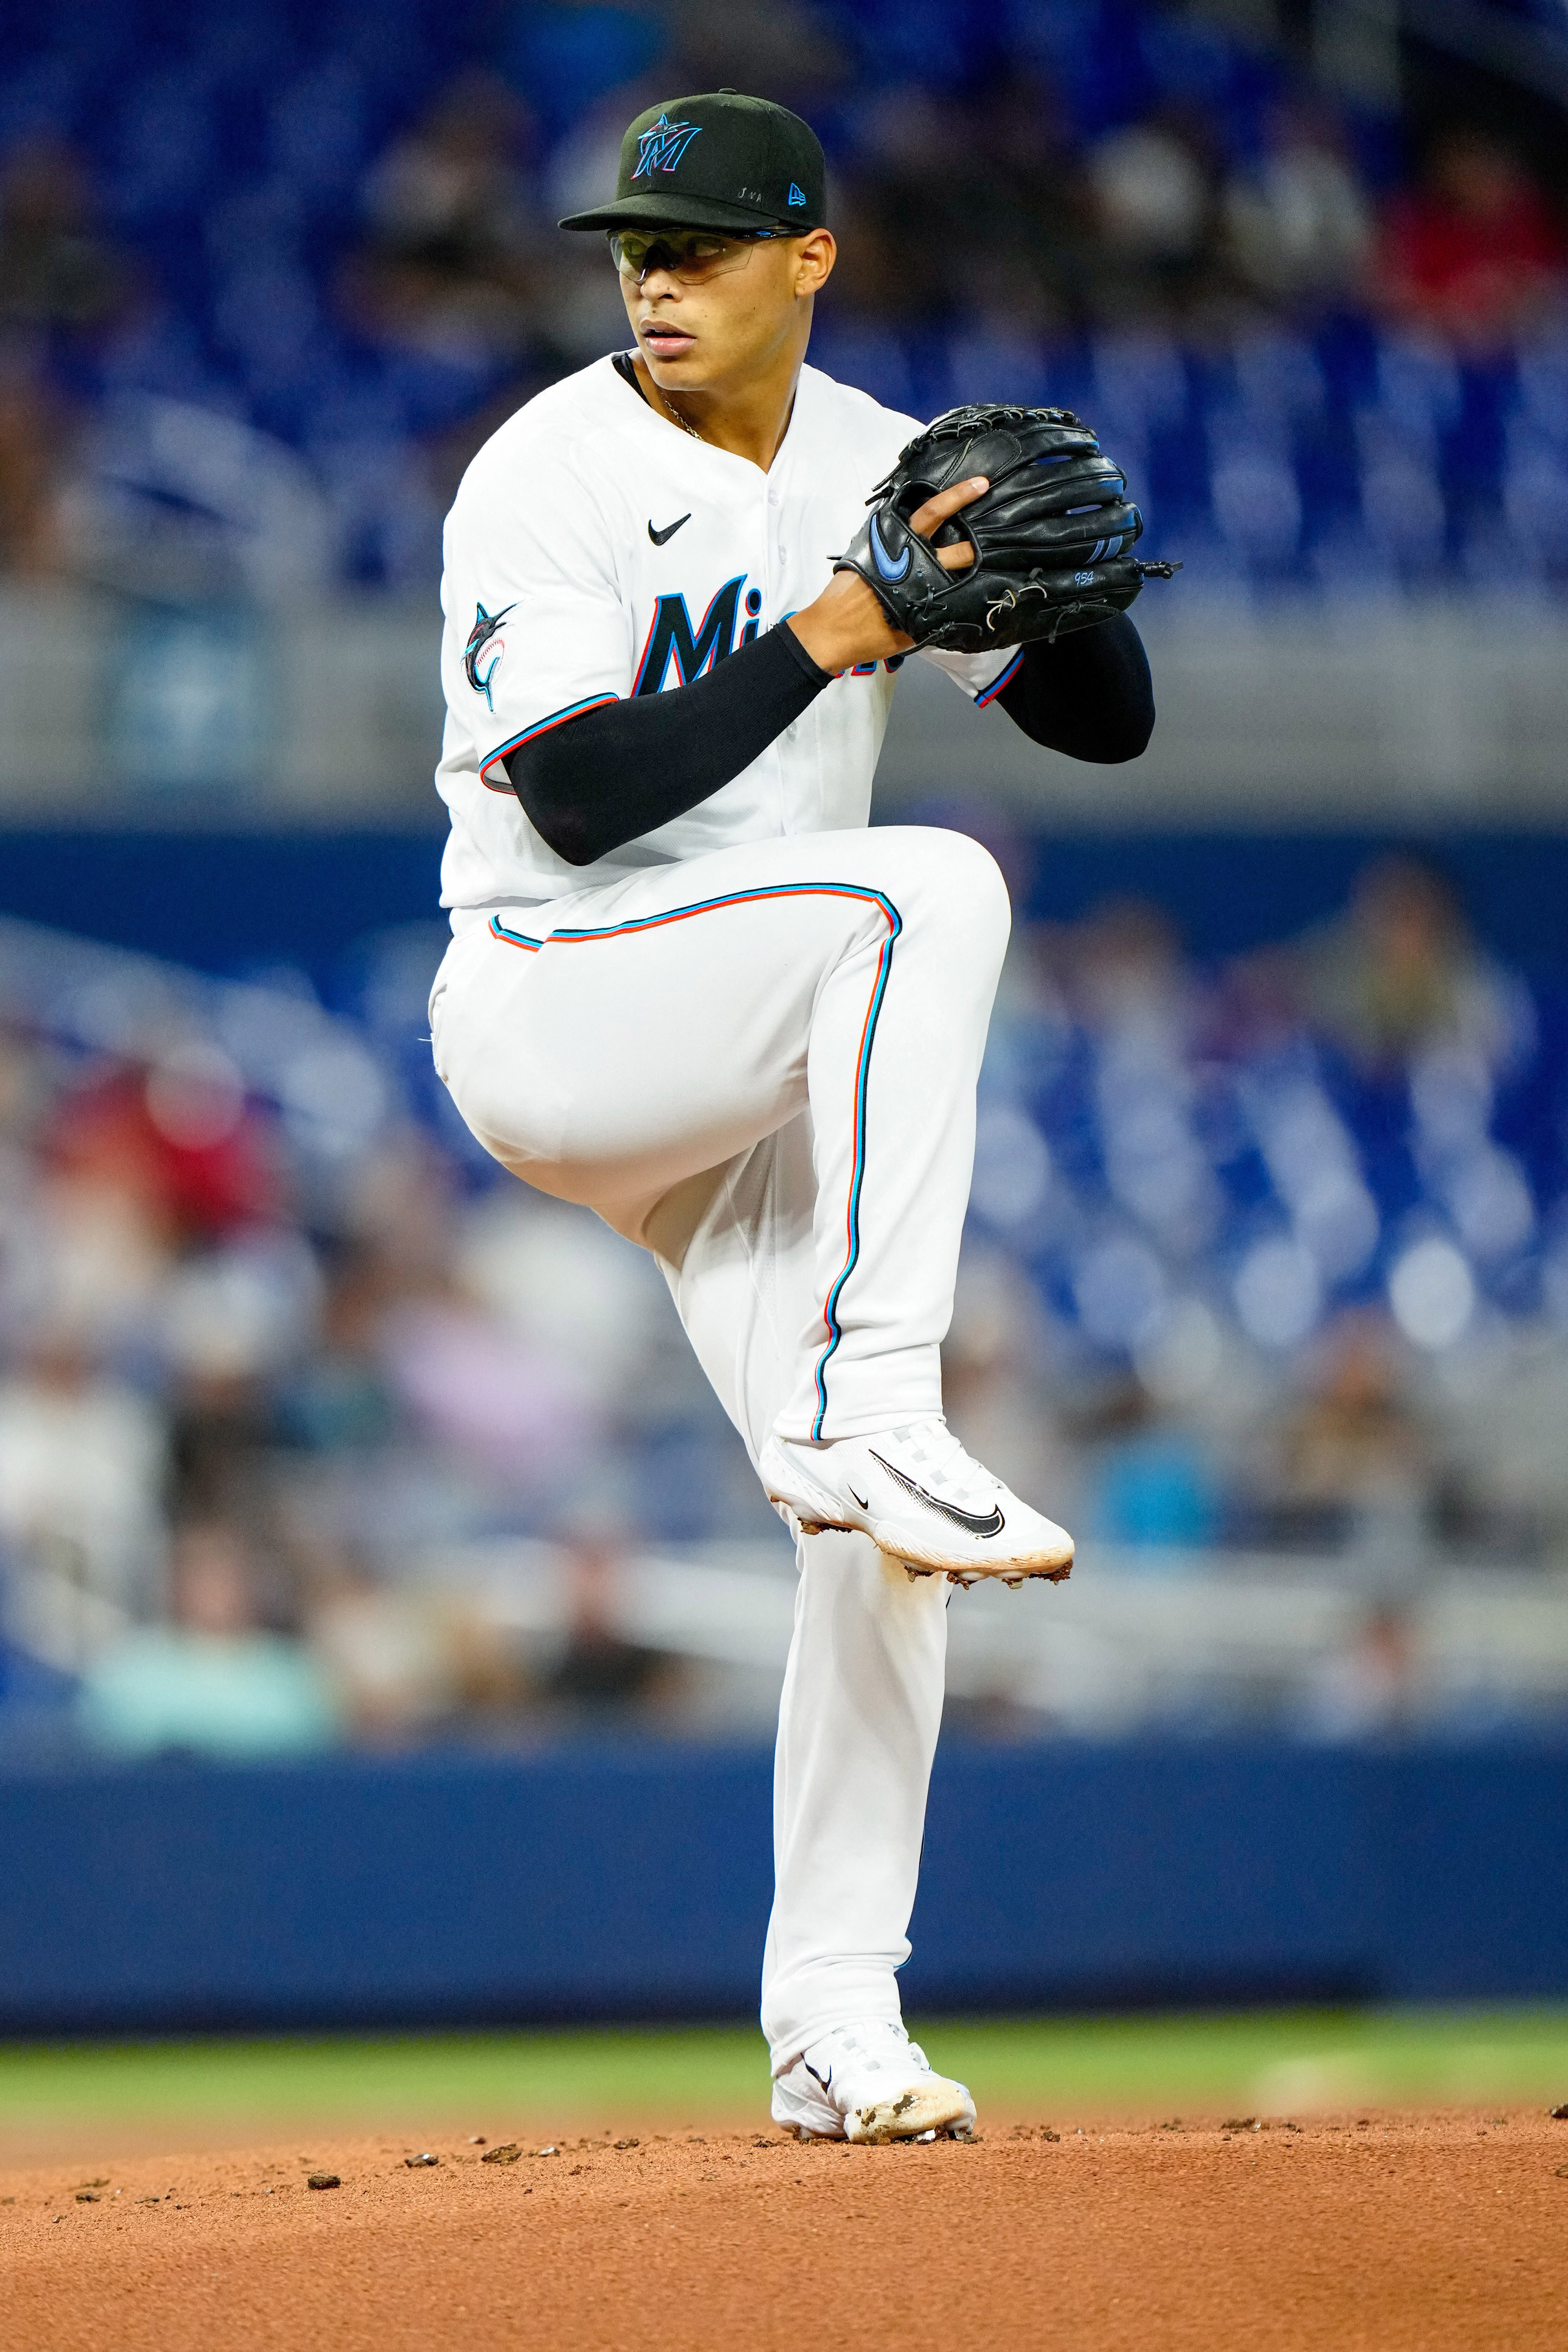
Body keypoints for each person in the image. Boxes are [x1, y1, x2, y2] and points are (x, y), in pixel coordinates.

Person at [427, 91, 1156, 2144]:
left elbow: (1106, 726)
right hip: (565, 1009)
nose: (655, 280)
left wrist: (1056, 581)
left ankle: (839, 2020)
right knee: (928, 883)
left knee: (870, 1546)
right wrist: (844, 628)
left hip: (758, 1055)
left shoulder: (877, 464)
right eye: (632, 250)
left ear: (809, 257)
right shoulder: (548, 470)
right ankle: (885, 1395)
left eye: (703, 246)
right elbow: (572, 800)